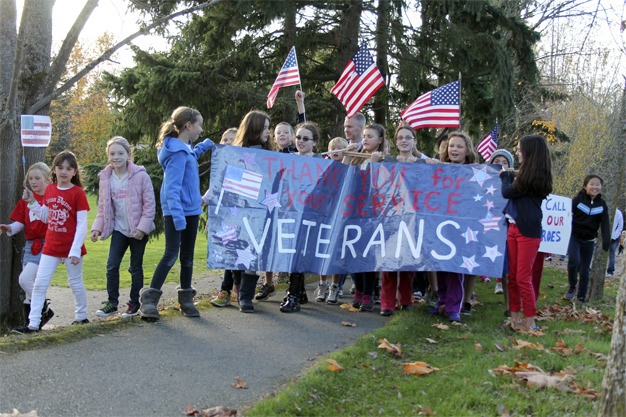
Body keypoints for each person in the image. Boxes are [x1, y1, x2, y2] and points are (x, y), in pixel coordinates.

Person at [139, 107, 214, 321]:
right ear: (188, 126)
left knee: (187, 257)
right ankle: (150, 300)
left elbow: (191, 157)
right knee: (171, 255)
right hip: (177, 213)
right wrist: (179, 217)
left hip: (190, 210)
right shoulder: (177, 153)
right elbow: (172, 188)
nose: (201, 128)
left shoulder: (184, 148)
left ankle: (186, 298)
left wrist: (205, 145)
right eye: (199, 124)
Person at [12, 151, 90, 333]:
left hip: (71, 247)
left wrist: (75, 250)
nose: (63, 172)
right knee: (39, 284)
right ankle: (32, 324)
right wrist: (32, 202)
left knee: (75, 282)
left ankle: (81, 316)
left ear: (74, 172)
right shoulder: (50, 189)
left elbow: (82, 225)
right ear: (54, 169)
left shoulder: (78, 193)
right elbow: (47, 217)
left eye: (68, 168)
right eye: (60, 167)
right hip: (50, 247)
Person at [90, 137, 156, 318]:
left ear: (128, 154)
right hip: (119, 229)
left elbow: (150, 206)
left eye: (120, 153)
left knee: (135, 267)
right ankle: (112, 302)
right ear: (108, 156)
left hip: (137, 231)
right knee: (111, 265)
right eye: (112, 153)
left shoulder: (140, 176)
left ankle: (134, 303)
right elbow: (103, 208)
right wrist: (97, 228)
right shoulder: (106, 178)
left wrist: (142, 228)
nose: (116, 157)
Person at [500, 135, 552, 332]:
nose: (518, 153)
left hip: (528, 231)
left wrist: (505, 176)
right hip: (513, 228)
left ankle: (530, 321)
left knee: (522, 277)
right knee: (512, 276)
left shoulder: (534, 177)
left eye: (521, 150)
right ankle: (514, 318)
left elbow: (507, 192)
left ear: (530, 153)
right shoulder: (523, 174)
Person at [1, 162, 54, 329]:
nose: (33, 181)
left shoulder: (51, 198)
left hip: (46, 245)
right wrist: (9, 228)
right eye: (30, 178)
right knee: (28, 289)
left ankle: (43, 306)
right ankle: (32, 324)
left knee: (25, 280)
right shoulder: (25, 200)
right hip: (31, 245)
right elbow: (20, 223)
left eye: (37, 178)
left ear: (48, 179)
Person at [430, 131, 477, 322]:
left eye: (459, 146)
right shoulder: (438, 169)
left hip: (462, 227)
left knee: (456, 267)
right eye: (451, 146)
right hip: (441, 225)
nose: (454, 149)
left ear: (467, 150)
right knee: (440, 264)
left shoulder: (474, 172)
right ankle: (441, 301)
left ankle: (453, 307)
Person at [343, 124, 390, 312]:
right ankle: (359, 291)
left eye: (370, 136)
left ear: (380, 140)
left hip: (372, 215)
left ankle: (368, 293)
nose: (365, 139)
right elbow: (341, 175)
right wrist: (348, 155)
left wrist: (375, 164)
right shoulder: (356, 159)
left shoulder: (383, 159)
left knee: (368, 255)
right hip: (353, 213)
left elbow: (382, 184)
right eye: (364, 136)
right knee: (354, 253)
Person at [231, 110, 271, 312]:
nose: (268, 132)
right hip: (238, 213)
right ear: (254, 128)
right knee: (237, 254)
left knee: (253, 255)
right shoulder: (235, 154)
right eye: (264, 128)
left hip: (260, 214)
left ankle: (246, 297)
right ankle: (239, 290)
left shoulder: (270, 156)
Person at [564, 174, 610, 302]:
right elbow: (566, 215)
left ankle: (582, 296)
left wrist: (607, 240)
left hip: (589, 240)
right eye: (592, 184)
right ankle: (572, 286)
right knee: (574, 260)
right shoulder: (577, 200)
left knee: (585, 270)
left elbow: (605, 223)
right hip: (574, 237)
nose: (595, 187)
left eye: (597, 184)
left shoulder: (602, 205)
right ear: (585, 186)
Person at [487, 149, 515, 311]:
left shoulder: (513, 183)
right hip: (486, 227)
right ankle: (467, 299)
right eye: (497, 161)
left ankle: (508, 304)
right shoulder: (484, 182)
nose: (500, 165)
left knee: (505, 270)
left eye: (504, 162)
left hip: (505, 228)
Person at [607, 207, 624, 277]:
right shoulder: (605, 211)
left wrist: (614, 236)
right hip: (606, 236)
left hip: (615, 238)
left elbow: (620, 227)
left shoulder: (618, 213)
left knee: (612, 254)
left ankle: (610, 271)